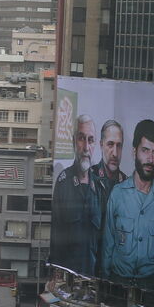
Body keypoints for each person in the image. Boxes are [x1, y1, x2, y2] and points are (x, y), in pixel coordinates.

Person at [101, 119, 154, 288]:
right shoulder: (118, 194)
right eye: (145, 150)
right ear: (135, 151)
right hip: (117, 284)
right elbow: (107, 246)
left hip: (151, 287)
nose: (150, 159)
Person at [50, 115, 103, 276]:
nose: (86, 147)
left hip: (92, 279)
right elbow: (55, 238)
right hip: (68, 279)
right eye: (81, 138)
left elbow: (102, 244)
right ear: (74, 141)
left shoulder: (100, 188)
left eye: (91, 140)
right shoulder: (63, 183)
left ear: (95, 145)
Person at [90, 119, 128, 203]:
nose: (115, 153)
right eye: (110, 144)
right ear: (101, 145)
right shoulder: (88, 179)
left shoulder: (128, 185)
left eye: (119, 146)